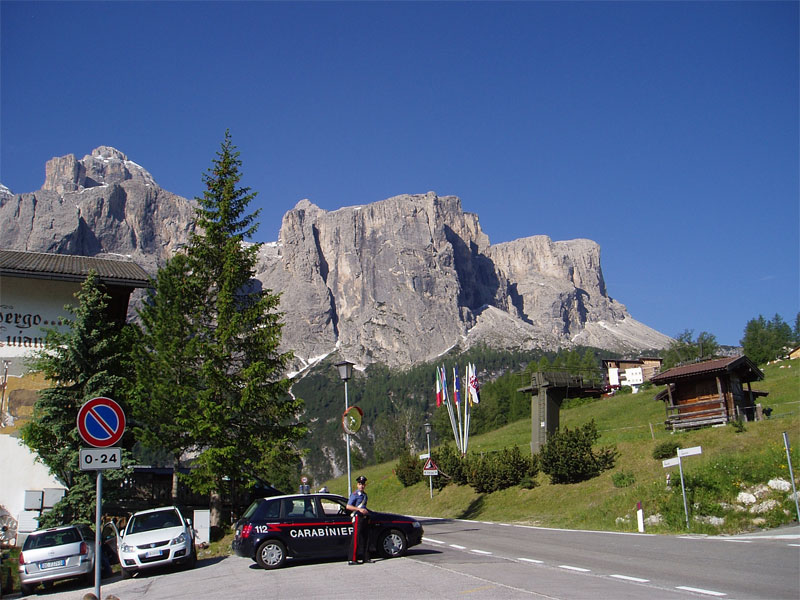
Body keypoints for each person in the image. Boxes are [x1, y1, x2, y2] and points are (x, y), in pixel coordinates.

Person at [346, 475, 372, 564]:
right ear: (357, 485)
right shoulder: (354, 495)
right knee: (356, 538)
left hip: (364, 517)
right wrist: (359, 509)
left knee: (365, 538)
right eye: (360, 484)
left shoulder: (365, 495)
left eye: (363, 484)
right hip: (357, 517)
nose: (361, 486)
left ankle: (366, 557)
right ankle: (352, 559)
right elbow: (348, 506)